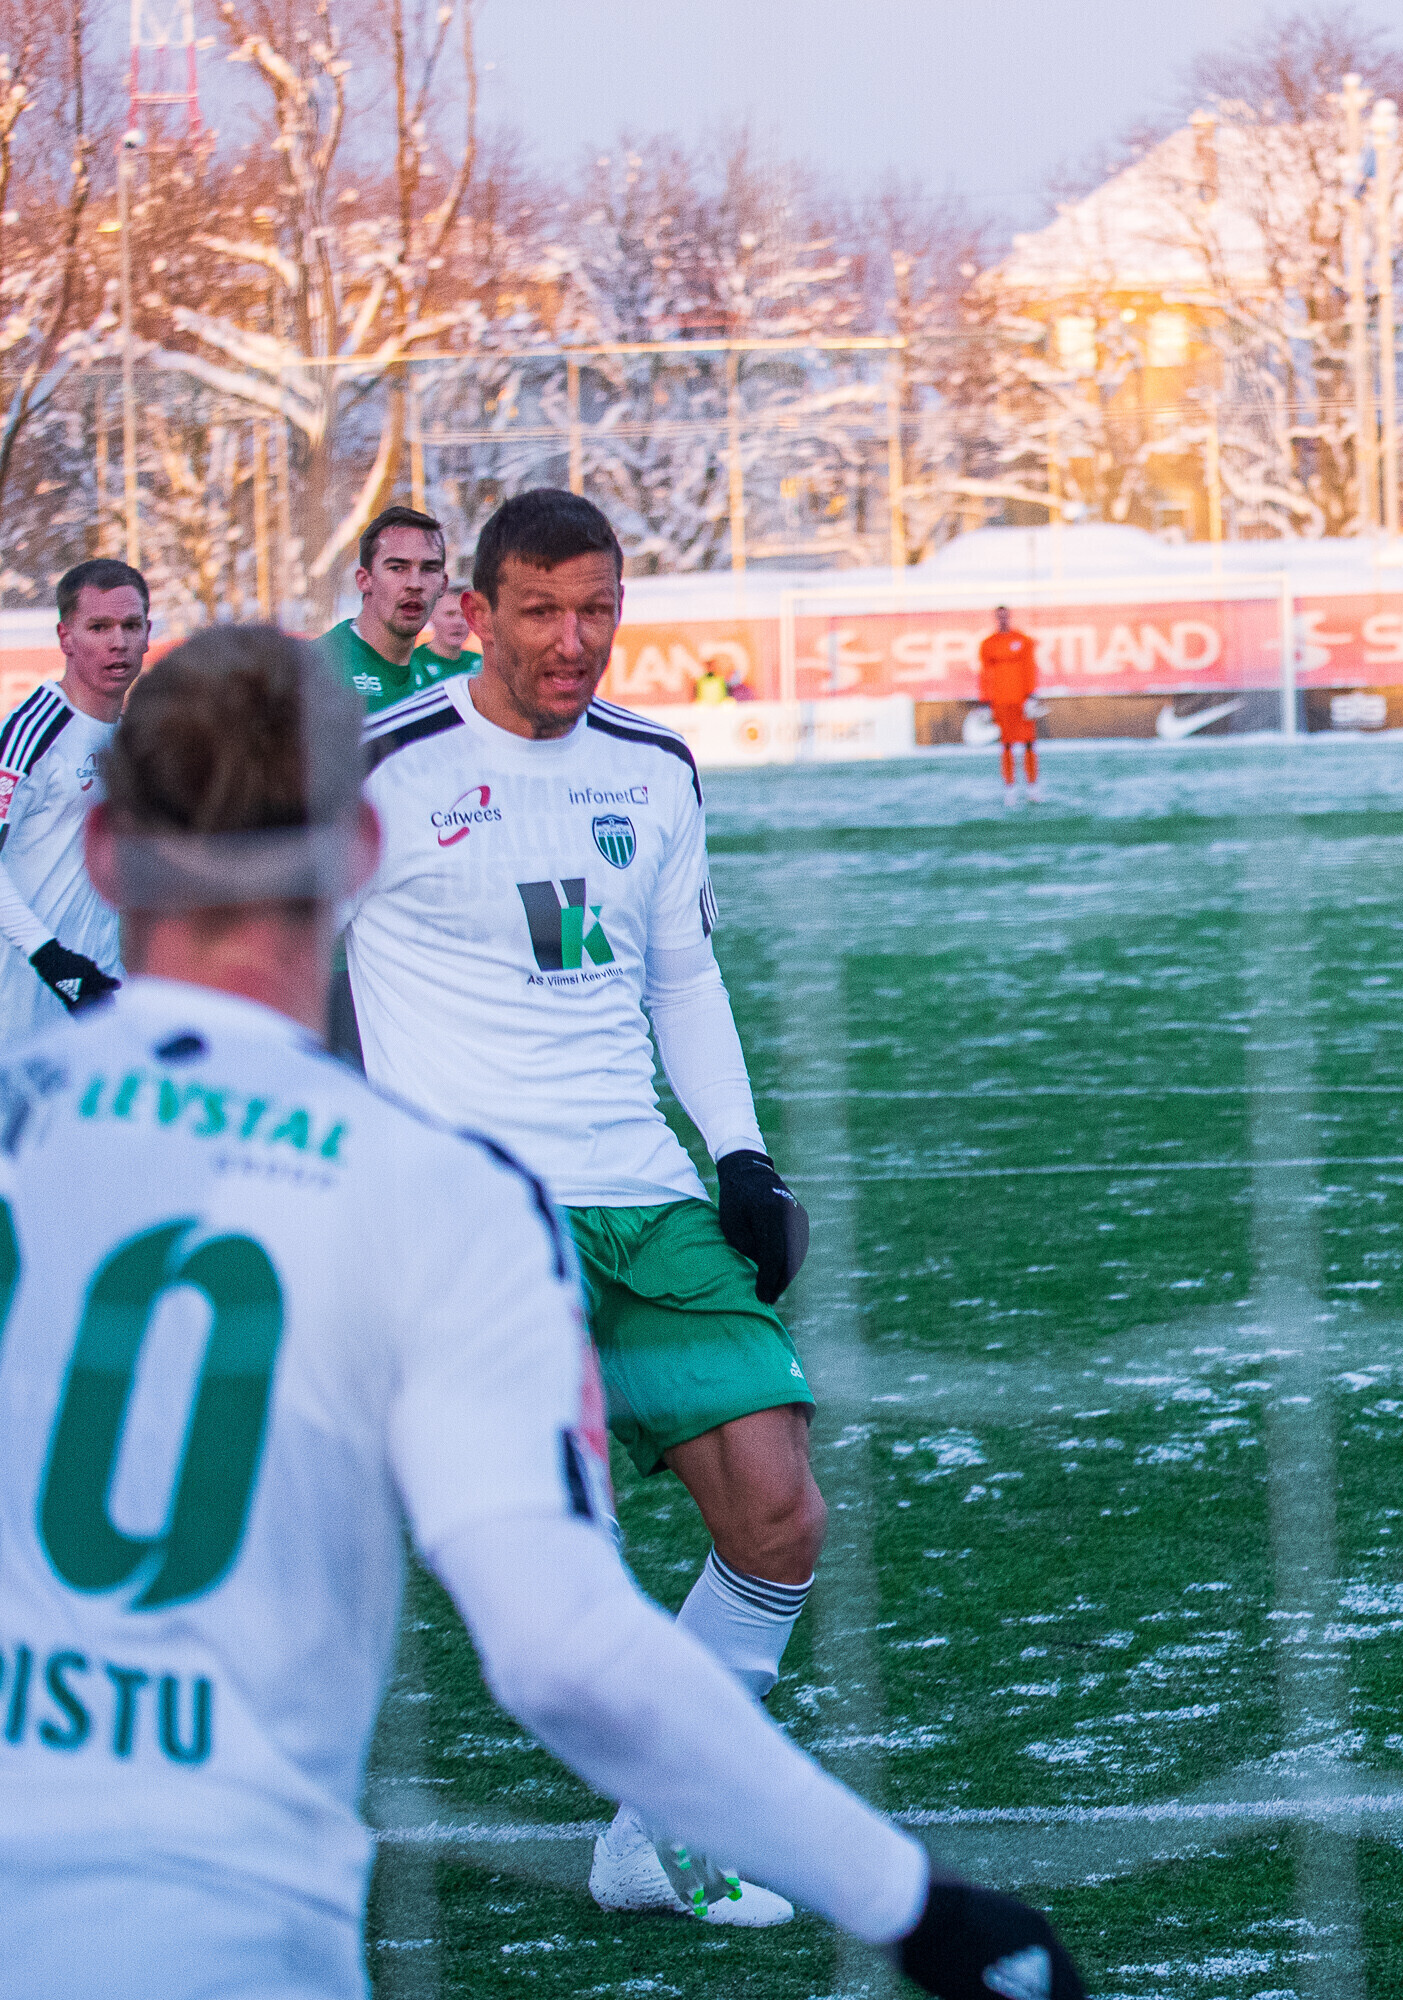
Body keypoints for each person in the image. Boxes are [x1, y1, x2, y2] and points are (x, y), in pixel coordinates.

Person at [0, 625, 1085, 2000]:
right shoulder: (433, 1197)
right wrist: (916, 1906)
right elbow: (566, 1651)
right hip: (221, 1937)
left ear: (101, 851)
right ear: (359, 850)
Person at [347, 488, 829, 1924]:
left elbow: (683, 976)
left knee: (780, 1517)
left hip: (647, 1196)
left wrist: (741, 1156)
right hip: (481, 1216)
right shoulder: (375, 770)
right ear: (474, 614)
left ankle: (658, 1829)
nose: (574, 640)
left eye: (599, 608)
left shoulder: (655, 767)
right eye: (542, 611)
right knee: (562, 1570)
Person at [0, 558, 150, 1043]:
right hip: (20, 1007)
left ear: (148, 634)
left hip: (97, 997)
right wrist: (49, 957)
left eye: (131, 626)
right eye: (99, 627)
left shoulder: (132, 738)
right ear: (65, 638)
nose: (118, 643)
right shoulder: (33, 734)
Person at [320, 505, 474, 713]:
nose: (415, 584)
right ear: (364, 580)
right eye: (397, 568)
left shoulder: (435, 687)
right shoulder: (317, 667)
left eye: (429, 569)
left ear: (443, 585)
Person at [978, 605, 1041, 792]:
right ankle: (1009, 786)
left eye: (1005, 616)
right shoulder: (988, 643)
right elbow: (985, 674)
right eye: (1000, 616)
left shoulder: (1023, 640)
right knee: (1006, 744)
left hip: (1022, 700)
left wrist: (1031, 695)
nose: (1003, 619)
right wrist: (985, 700)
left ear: (1009, 617)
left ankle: (1032, 785)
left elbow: (1030, 668)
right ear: (996, 618)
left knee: (1029, 743)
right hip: (1001, 701)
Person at [425, 572, 481, 672]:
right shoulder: (411, 666)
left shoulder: (481, 666)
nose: (458, 622)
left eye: (464, 615)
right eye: (449, 614)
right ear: (431, 615)